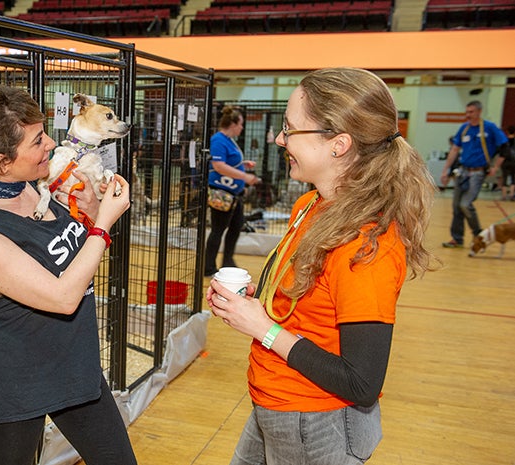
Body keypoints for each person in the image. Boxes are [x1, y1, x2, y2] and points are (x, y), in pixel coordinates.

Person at [206, 68, 437, 465]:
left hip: (314, 423)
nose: (280, 139)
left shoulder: (366, 247)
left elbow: (361, 382)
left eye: (291, 129)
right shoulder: (311, 205)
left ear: (338, 144)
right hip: (274, 403)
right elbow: (301, 304)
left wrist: (262, 327)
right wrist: (253, 304)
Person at [0, 85, 137, 465]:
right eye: (38, 140)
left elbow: (70, 257)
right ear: (1, 162)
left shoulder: (32, 186)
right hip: (15, 383)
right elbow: (62, 296)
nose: (51, 144)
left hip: (74, 365)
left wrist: (90, 212)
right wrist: (103, 225)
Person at [439, 100, 509, 247]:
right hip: (462, 172)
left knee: (466, 204)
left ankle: (479, 234)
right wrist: (446, 170)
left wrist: (496, 167)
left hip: (478, 173)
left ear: (478, 112)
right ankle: (457, 239)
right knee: (457, 206)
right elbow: (454, 150)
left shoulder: (489, 128)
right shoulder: (464, 128)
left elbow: (505, 147)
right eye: (466, 112)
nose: (468, 115)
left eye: (471, 112)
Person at [204, 106, 260, 277]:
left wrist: (243, 164)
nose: (242, 128)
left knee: (236, 227)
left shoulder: (229, 140)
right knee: (218, 229)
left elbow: (228, 163)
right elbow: (219, 166)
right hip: (222, 193)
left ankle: (228, 261)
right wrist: (245, 176)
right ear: (233, 124)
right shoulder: (218, 140)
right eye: (241, 124)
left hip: (234, 193)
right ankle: (209, 267)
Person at [495, 125, 515, 200]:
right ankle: (511, 194)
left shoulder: (505, 141)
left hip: (505, 161)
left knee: (504, 177)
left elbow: (500, 151)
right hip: (514, 161)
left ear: (507, 132)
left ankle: (503, 196)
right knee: (513, 178)